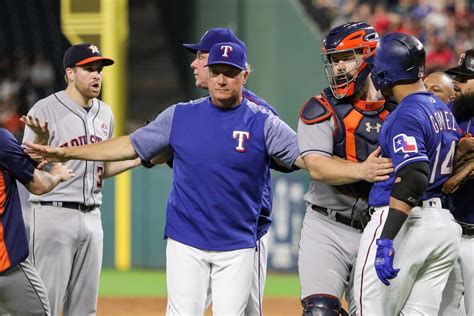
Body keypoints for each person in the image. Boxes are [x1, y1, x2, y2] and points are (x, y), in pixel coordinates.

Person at [24, 41, 304, 315]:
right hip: (180, 237)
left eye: (230, 72)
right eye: (216, 70)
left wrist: (342, 165)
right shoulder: (181, 115)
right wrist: (64, 152)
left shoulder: (262, 120)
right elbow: (128, 145)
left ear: (244, 75)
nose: (221, 79)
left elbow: (306, 157)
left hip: (237, 240)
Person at [22, 43, 141, 316]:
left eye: (98, 70)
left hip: (92, 217)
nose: (97, 75)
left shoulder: (105, 113)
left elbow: (102, 167)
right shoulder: (45, 109)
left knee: (85, 309)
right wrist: (40, 148)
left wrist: (138, 159)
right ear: (70, 73)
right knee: (44, 306)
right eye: (88, 69)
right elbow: (26, 169)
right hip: (54, 215)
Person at [182, 27, 293, 315]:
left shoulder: (257, 112)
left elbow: (284, 159)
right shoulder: (198, 109)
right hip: (205, 231)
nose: (195, 64)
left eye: (200, 56)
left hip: (245, 233)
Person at [353, 32, 462, 315]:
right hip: (443, 226)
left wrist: (387, 236)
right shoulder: (443, 110)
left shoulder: (406, 114)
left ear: (384, 75)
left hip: (405, 222)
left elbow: (414, 175)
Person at [297, 21, 394, 315]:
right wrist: (363, 170)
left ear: (369, 54)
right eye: (334, 61)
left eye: (346, 58)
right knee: (319, 311)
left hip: (382, 226)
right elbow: (316, 166)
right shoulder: (320, 107)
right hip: (327, 225)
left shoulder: (401, 105)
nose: (338, 68)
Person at [0, 127, 74, 315]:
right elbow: (39, 185)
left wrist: (40, 141)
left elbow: (18, 160)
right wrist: (57, 173)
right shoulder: (2, 140)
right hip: (6, 264)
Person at [439, 48, 474, 316]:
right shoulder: (449, 112)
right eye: (457, 77)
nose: (457, 83)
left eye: (465, 77)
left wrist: (460, 172)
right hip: (448, 231)